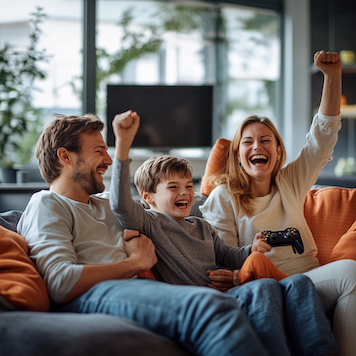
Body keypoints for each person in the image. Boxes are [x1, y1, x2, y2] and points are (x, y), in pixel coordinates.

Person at [17, 113, 286, 356]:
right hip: (92, 295)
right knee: (210, 307)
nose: (108, 160)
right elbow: (60, 282)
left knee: (263, 293)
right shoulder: (47, 204)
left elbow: (151, 213)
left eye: (108, 152)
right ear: (65, 156)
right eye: (99, 151)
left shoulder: (106, 203)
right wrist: (135, 263)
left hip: (139, 288)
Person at [109, 109, 339, 356]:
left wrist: (250, 250)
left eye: (188, 186)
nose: (185, 193)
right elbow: (120, 204)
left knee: (299, 282)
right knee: (264, 288)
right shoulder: (151, 222)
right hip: (204, 300)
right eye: (173, 187)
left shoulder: (201, 226)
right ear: (147, 196)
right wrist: (122, 146)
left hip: (229, 294)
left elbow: (228, 254)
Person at [200, 50, 356, 356]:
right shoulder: (223, 197)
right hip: (264, 289)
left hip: (309, 283)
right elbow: (223, 258)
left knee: (350, 272)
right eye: (248, 141)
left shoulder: (291, 181)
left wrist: (332, 76)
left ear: (279, 151)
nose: (257, 146)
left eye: (265, 140)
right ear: (237, 155)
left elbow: (323, 137)